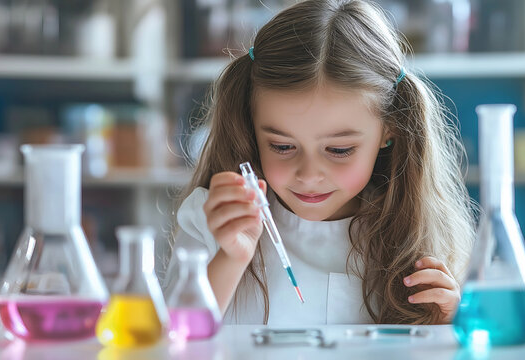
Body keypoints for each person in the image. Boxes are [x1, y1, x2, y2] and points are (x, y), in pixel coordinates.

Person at [172, 0, 475, 325]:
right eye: (283, 146)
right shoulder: (211, 220)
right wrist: (231, 258)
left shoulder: (415, 234)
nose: (310, 175)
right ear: (250, 126)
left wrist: (448, 324)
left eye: (340, 150)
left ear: (390, 131)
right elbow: (172, 340)